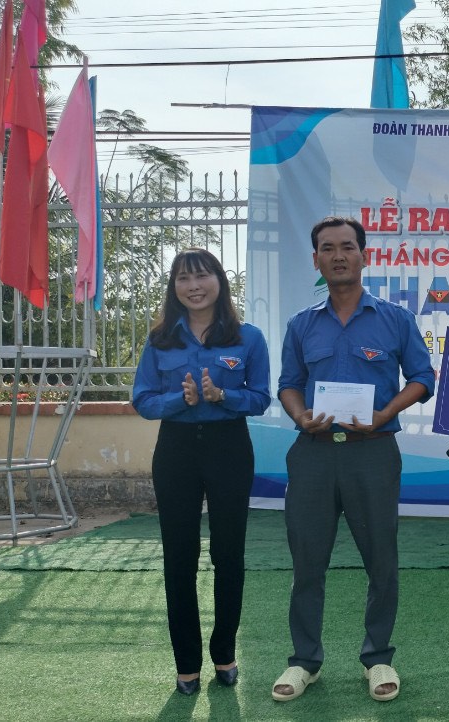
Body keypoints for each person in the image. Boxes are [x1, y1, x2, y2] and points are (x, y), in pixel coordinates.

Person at [271, 216, 435, 704]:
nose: (338, 255)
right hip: (314, 455)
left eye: (347, 247)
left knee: (381, 560)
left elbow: (422, 377)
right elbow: (288, 384)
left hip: (373, 452)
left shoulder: (394, 319)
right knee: (307, 562)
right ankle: (304, 660)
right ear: (316, 259)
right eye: (328, 248)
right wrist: (300, 416)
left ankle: (378, 656)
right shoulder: (301, 324)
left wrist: (385, 413)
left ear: (364, 255)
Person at [132, 248, 271, 696]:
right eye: (183, 278)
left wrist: (222, 397)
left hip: (229, 448)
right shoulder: (160, 339)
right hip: (176, 450)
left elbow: (261, 397)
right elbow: (143, 399)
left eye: (202, 276)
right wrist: (182, 400)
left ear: (219, 281)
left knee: (228, 555)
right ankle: (186, 664)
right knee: (179, 557)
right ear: (174, 287)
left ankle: (225, 653)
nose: (194, 286)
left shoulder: (248, 338)